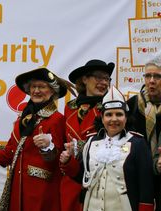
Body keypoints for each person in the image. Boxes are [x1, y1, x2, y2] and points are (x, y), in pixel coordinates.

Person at [0, 67, 67, 211]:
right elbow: (9, 153)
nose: (36, 90)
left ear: (52, 91)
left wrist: (48, 146)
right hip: (18, 191)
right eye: (33, 86)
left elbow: (60, 159)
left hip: (42, 194)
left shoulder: (57, 120)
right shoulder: (24, 119)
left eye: (42, 87)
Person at [61, 86, 154, 211]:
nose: (114, 119)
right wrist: (68, 162)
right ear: (102, 118)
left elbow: (146, 186)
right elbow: (83, 176)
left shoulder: (138, 144)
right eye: (109, 115)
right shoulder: (91, 142)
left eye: (119, 114)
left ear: (126, 118)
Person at [60, 59, 114, 211]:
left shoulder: (111, 108)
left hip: (98, 180)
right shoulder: (70, 107)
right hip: (70, 181)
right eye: (99, 77)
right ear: (84, 79)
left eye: (106, 79)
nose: (103, 82)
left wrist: (79, 147)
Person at [127, 57, 161, 210]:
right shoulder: (132, 104)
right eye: (148, 76)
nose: (151, 81)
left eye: (157, 76)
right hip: (138, 175)